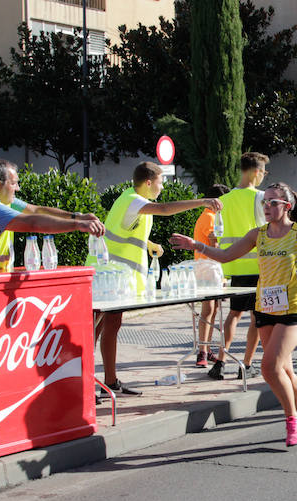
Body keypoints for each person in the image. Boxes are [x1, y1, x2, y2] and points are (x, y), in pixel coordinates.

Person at [171, 183, 297, 447]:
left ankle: (294, 420)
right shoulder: (257, 234)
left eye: (272, 202)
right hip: (266, 307)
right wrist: (195, 244)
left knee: (269, 367)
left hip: (293, 306)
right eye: (265, 202)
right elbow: (225, 256)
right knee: (285, 370)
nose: (267, 207)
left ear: (287, 206)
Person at [95, 161, 222, 397]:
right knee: (99, 329)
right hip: (107, 277)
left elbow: (125, 232)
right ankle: (93, 385)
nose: (162, 187)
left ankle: (109, 382)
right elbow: (164, 209)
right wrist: (202, 202)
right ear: (149, 182)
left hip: (113, 277)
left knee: (109, 326)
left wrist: (151, 244)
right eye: (161, 182)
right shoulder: (134, 200)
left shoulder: (131, 199)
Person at [0, 158, 104, 273]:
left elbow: (36, 211)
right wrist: (78, 225)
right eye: (14, 183)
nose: (17, 188)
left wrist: (77, 216)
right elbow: (33, 222)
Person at [207, 152, 268, 380]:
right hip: (259, 267)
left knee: (233, 315)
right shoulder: (260, 197)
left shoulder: (226, 199)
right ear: (256, 172)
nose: (263, 177)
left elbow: (218, 234)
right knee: (256, 318)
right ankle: (247, 364)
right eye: (263, 172)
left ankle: (220, 362)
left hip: (233, 266)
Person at [193, 183, 230, 367]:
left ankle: (206, 348)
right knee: (208, 310)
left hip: (209, 265)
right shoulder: (209, 217)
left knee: (213, 310)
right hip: (207, 266)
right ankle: (202, 351)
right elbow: (214, 243)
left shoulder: (209, 216)